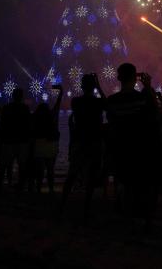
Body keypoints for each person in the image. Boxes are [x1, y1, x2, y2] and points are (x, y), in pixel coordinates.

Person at [106, 64, 161, 228]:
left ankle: (128, 221)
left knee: (126, 186)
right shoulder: (141, 98)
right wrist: (148, 87)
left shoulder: (112, 100)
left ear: (118, 77)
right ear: (135, 77)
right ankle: (147, 222)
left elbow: (111, 122)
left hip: (122, 148)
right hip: (140, 147)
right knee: (145, 186)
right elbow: (155, 115)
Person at [61, 74, 107, 220]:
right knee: (92, 175)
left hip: (79, 141)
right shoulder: (98, 103)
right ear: (93, 87)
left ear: (81, 86)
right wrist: (99, 87)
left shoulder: (76, 101)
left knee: (72, 173)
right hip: (94, 141)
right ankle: (86, 206)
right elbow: (107, 106)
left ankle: (62, 203)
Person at [0, 88, 31, 192]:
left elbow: (2, 124)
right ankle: (20, 185)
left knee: (4, 165)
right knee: (22, 165)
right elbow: (28, 125)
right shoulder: (25, 108)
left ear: (12, 96)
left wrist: (0, 141)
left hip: (8, 140)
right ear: (21, 96)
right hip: (22, 140)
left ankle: (0, 186)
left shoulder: (7, 107)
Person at [31, 84, 63, 194]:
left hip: (39, 145)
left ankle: (39, 188)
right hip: (51, 144)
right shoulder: (52, 116)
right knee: (50, 170)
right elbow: (58, 104)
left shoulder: (35, 118)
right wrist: (61, 92)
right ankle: (51, 189)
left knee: (39, 171)